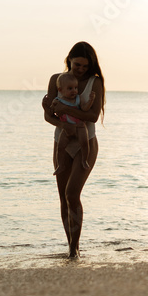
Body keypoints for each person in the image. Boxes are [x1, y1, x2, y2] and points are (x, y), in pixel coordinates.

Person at [42, 41, 105, 259]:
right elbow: (49, 115)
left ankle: (74, 249)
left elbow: (93, 116)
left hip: (85, 142)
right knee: (63, 197)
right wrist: (63, 124)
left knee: (72, 193)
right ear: (69, 60)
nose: (80, 70)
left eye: (85, 67)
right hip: (62, 141)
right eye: (77, 65)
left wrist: (66, 110)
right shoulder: (56, 80)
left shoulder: (94, 83)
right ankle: (70, 245)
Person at [54, 74, 94, 171]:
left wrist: (90, 101)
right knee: (60, 146)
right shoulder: (58, 100)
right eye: (70, 88)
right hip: (67, 127)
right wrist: (45, 106)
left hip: (79, 126)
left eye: (76, 88)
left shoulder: (77, 99)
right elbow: (52, 112)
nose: (74, 91)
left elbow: (84, 108)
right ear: (60, 90)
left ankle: (84, 160)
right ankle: (60, 165)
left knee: (84, 143)